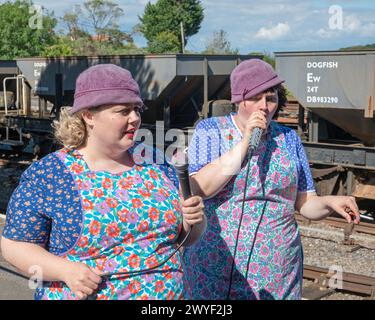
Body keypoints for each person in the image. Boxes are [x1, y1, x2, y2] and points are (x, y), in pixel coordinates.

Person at [0, 64, 206, 300]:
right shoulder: (50, 174)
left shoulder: (156, 161)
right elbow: (14, 246)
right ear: (88, 115)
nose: (135, 118)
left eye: (137, 109)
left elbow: (185, 239)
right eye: (123, 111)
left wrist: (195, 222)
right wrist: (65, 271)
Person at [182, 59, 360, 300]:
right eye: (255, 97)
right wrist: (245, 142)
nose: (264, 106)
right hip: (216, 268)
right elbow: (200, 187)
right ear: (238, 99)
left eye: (271, 97)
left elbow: (306, 203)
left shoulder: (288, 138)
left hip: (277, 272)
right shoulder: (209, 130)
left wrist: (329, 203)